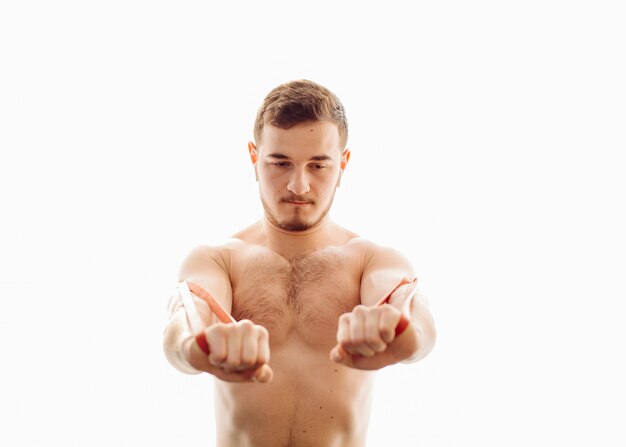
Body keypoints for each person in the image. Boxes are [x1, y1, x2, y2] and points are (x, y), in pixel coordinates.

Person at [162, 79, 436, 447]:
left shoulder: (370, 259)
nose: (298, 186)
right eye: (280, 163)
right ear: (254, 157)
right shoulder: (219, 259)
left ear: (343, 164)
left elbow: (415, 317)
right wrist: (202, 347)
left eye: (318, 165)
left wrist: (397, 331)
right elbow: (185, 321)